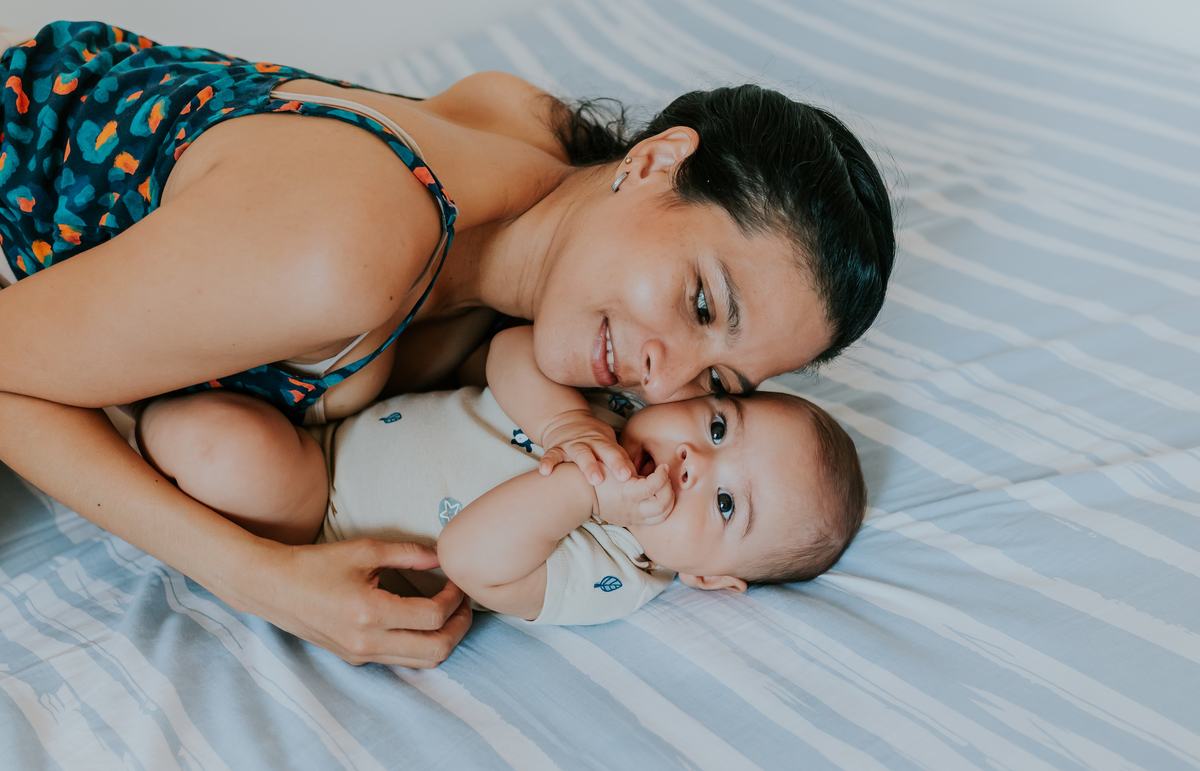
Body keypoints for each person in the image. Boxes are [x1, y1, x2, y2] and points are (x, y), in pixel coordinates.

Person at [0, 21, 895, 665]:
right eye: (701, 299)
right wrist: (259, 578)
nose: (668, 376)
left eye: (721, 382)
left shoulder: (538, 142)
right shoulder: (344, 257)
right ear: (655, 160)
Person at [134, 325, 866, 625]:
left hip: (320, 507)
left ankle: (126, 421)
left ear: (708, 577)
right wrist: (566, 426)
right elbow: (513, 347)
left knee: (217, 448)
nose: (693, 463)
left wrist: (583, 491)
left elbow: (472, 556)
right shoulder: (614, 409)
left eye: (727, 502)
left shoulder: (614, 574)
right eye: (715, 428)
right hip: (343, 415)